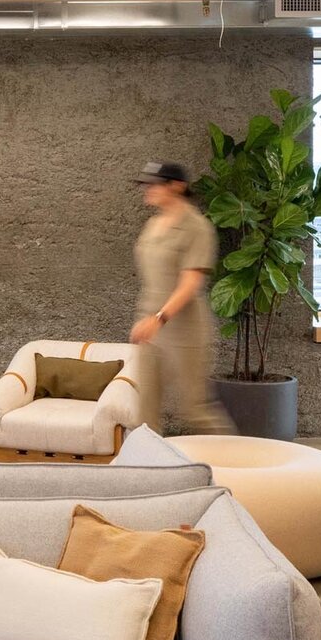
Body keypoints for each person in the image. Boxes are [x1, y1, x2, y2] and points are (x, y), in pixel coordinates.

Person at [130, 159, 232, 435]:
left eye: (155, 184)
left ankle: (233, 466)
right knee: (145, 409)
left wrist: (158, 318)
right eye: (146, 184)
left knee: (193, 409)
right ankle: (151, 472)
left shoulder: (196, 227)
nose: (147, 189)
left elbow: (191, 283)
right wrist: (147, 319)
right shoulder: (153, 225)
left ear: (177, 186)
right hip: (150, 325)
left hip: (184, 328)